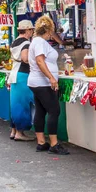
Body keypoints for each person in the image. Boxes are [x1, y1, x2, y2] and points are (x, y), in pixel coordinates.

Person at [28, 16, 69, 155]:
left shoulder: (36, 41)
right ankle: (54, 144)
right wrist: (51, 78)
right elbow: (40, 61)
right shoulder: (40, 42)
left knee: (41, 111)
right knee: (54, 110)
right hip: (43, 82)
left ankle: (41, 142)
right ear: (49, 30)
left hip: (37, 82)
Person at [8, 20, 35, 142]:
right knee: (23, 104)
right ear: (28, 30)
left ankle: (13, 130)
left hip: (14, 74)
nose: (32, 32)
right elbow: (25, 58)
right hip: (22, 75)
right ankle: (20, 132)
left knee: (15, 103)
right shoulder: (26, 42)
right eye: (31, 30)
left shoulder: (15, 41)